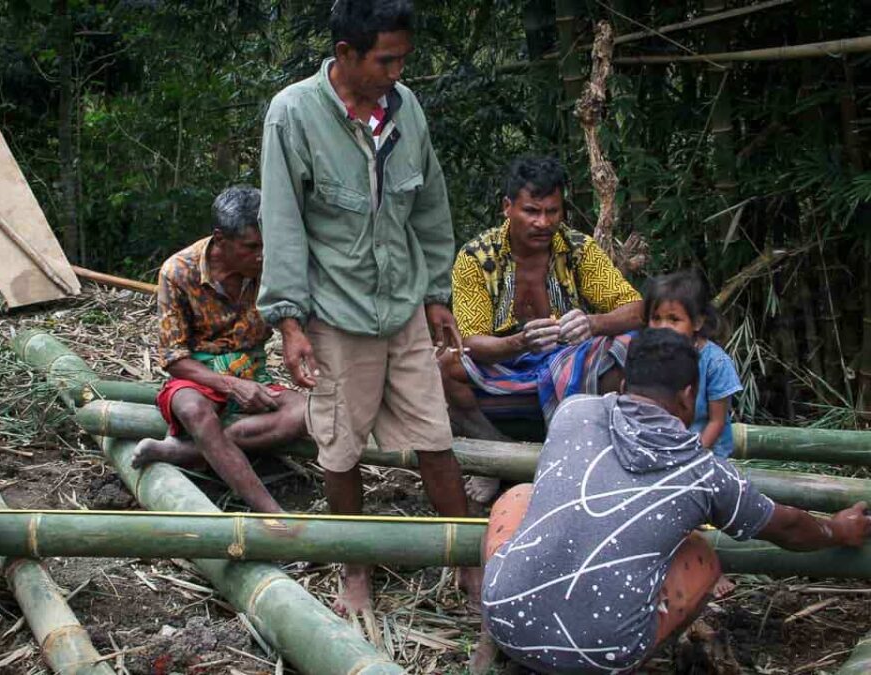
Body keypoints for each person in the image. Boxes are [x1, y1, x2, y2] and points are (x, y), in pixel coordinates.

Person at [257, 0, 480, 625]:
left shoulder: (406, 110)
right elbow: (283, 223)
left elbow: (431, 206)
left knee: (436, 437)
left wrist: (438, 294)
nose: (397, 70)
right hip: (335, 313)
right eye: (386, 59)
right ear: (346, 54)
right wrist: (290, 323)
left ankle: (467, 559)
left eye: (403, 57)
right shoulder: (294, 114)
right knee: (340, 448)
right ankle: (356, 567)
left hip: (403, 305)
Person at [472, 329, 871, 675]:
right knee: (701, 556)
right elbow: (785, 526)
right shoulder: (704, 472)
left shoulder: (574, 412)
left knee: (519, 496)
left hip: (506, 621)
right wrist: (837, 529)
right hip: (599, 655)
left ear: (625, 382)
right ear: (688, 395)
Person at [441, 156, 642, 502]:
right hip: (504, 370)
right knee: (446, 366)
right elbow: (471, 341)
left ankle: (595, 452)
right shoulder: (476, 257)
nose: (543, 222)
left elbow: (637, 308)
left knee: (631, 345)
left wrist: (594, 323)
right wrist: (520, 342)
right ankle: (494, 454)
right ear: (508, 207)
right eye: (532, 211)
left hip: (571, 368)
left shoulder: (579, 249)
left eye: (552, 211)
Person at [131, 186, 306, 514]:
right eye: (252, 247)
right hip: (198, 377)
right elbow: (173, 358)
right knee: (195, 410)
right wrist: (232, 385)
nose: (262, 256)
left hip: (253, 372)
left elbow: (292, 316)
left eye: (267, 246)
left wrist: (291, 335)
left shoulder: (272, 269)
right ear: (220, 239)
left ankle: (186, 452)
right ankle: (273, 514)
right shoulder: (179, 271)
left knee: (306, 413)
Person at [645, 270, 742, 458]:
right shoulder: (648, 356)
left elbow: (716, 422)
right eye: (656, 318)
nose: (663, 327)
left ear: (697, 322)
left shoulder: (715, 363)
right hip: (665, 449)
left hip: (707, 453)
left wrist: (693, 457)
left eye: (673, 319)